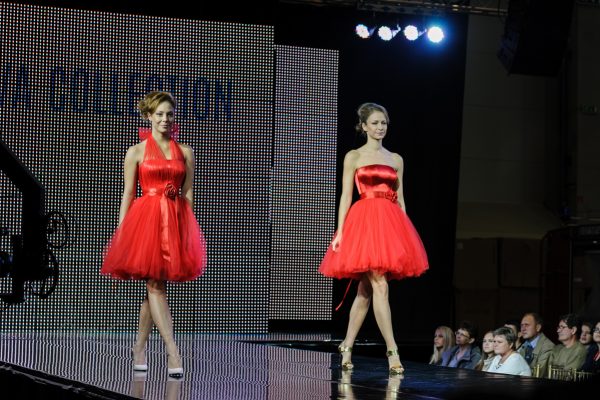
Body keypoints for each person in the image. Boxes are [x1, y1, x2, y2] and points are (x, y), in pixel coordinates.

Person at [101, 91, 206, 378]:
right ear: (148, 116)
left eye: (169, 114)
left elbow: (188, 193)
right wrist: (123, 231)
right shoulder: (136, 151)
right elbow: (128, 193)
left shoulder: (185, 151)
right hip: (145, 222)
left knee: (155, 286)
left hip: (174, 221)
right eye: (159, 114)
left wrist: (187, 228)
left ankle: (138, 348)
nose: (165, 119)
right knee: (155, 285)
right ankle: (173, 351)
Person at [319, 102, 429, 375]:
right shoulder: (354, 156)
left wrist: (404, 235)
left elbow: (401, 200)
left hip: (389, 224)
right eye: (375, 123)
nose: (380, 127)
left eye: (384, 123)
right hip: (364, 223)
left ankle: (346, 345)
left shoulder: (396, 159)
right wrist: (340, 232)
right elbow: (346, 196)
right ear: (364, 126)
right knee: (380, 285)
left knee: (365, 291)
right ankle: (392, 351)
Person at [518, 312, 555, 378]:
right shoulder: (524, 346)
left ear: (538, 327)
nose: (523, 329)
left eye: (527, 325)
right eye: (521, 325)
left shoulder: (548, 346)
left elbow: (538, 374)